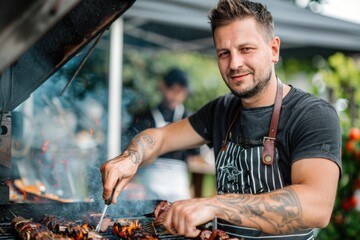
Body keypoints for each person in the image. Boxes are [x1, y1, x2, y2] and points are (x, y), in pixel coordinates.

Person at [100, 0, 341, 239]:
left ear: (273, 50)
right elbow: (161, 137)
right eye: (224, 53)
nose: (234, 64)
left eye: (246, 49)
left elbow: (316, 206)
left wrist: (215, 205)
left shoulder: (312, 114)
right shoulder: (222, 110)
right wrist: (131, 158)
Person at [125, 68, 198, 201]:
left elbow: (194, 155)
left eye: (181, 92)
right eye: (174, 90)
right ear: (162, 86)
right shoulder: (144, 117)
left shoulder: (190, 118)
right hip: (151, 180)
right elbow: (130, 146)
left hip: (179, 183)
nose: (177, 95)